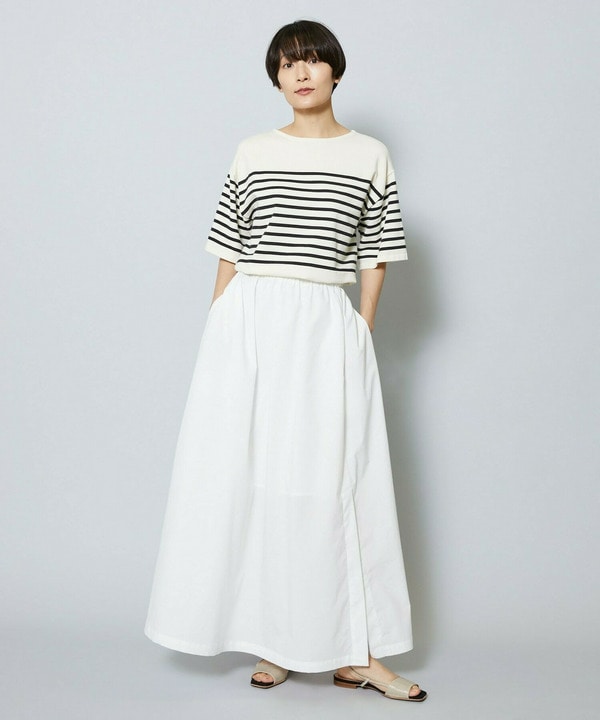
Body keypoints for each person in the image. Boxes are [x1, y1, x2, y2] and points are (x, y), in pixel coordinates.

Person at [144, 19, 427, 703]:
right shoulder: (253, 151)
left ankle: (356, 653)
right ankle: (276, 641)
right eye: (286, 64)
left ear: (335, 70)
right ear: (276, 79)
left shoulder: (370, 155)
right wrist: (219, 329)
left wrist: (360, 329)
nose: (300, 73)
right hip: (249, 319)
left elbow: (377, 250)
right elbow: (230, 247)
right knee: (257, 477)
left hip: (325, 321)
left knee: (332, 480)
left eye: (312, 61)